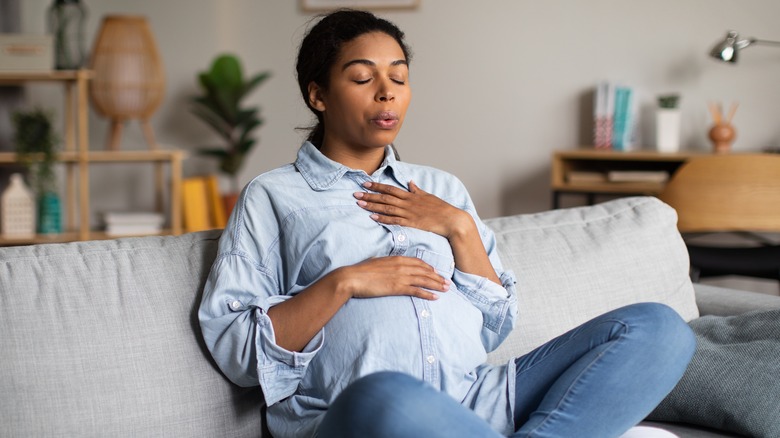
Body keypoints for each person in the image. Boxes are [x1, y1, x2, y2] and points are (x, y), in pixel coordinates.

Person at [198, 9, 696, 438]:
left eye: (398, 76)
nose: (386, 93)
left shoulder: (443, 189)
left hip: (477, 398)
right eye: (362, 78)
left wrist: (458, 226)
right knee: (390, 395)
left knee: (658, 328)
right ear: (319, 95)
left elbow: (493, 327)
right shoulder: (273, 196)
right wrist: (346, 282)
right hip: (357, 413)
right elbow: (237, 350)